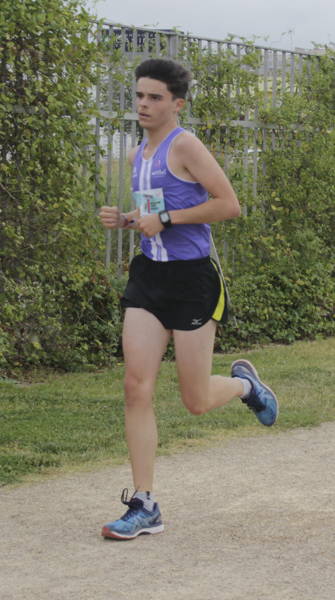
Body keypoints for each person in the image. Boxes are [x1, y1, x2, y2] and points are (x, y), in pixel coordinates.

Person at [97, 58, 278, 540]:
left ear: (177, 104)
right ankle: (144, 502)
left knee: (195, 400)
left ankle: (246, 387)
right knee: (137, 386)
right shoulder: (138, 155)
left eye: (154, 97)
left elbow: (228, 204)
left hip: (193, 281)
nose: (143, 104)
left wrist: (172, 220)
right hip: (148, 279)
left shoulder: (186, 145)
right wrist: (129, 220)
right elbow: (154, 214)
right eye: (139, 95)